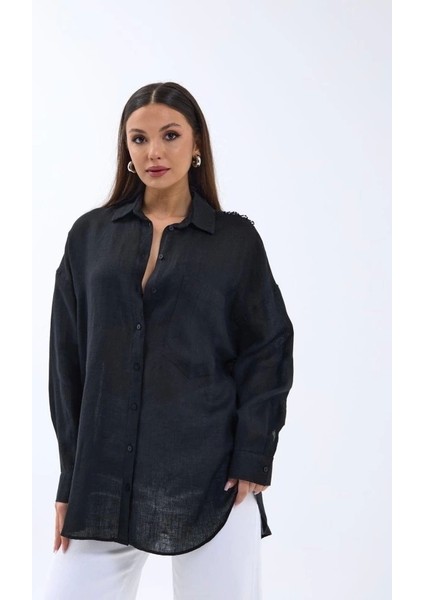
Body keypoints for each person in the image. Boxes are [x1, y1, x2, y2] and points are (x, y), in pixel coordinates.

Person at [44, 81, 294, 599]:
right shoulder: (89, 237)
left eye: (170, 135)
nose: (153, 151)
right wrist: (70, 480)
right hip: (104, 476)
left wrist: (253, 453)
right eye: (139, 139)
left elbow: (267, 348)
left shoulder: (234, 241)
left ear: (197, 143)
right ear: (126, 148)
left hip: (214, 474)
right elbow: (67, 363)